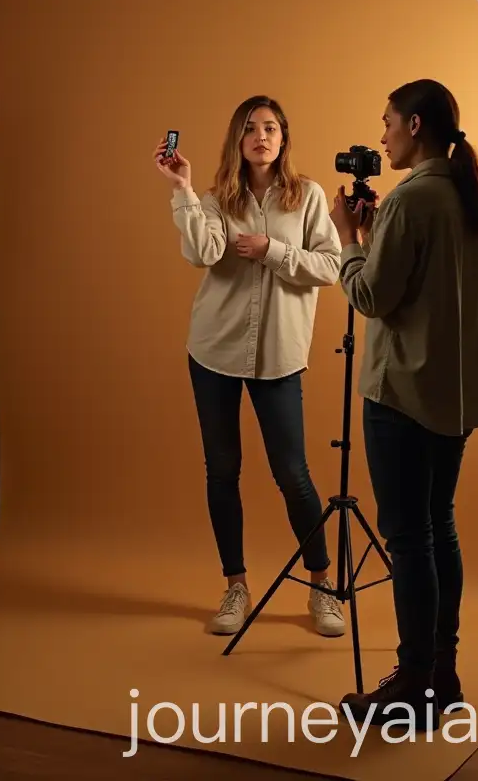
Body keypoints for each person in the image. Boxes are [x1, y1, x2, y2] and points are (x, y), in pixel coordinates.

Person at [328, 79, 478, 730]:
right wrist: (378, 239)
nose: (381, 137)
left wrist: (349, 238)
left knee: (408, 539)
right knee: (437, 527)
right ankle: (441, 673)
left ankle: (412, 684)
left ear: (417, 124)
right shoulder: (471, 200)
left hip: (401, 396)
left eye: (388, 123)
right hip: (453, 398)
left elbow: (372, 298)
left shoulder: (412, 200)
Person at [154, 96, 346, 639]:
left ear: (283, 138)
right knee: (222, 471)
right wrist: (184, 190)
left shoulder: (307, 197)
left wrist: (272, 250)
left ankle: (322, 586)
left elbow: (330, 267)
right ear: (237, 140)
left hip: (279, 355)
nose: (261, 136)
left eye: (270, 128)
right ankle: (235, 585)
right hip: (213, 350)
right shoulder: (216, 199)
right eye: (250, 129)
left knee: (293, 473)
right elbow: (202, 254)